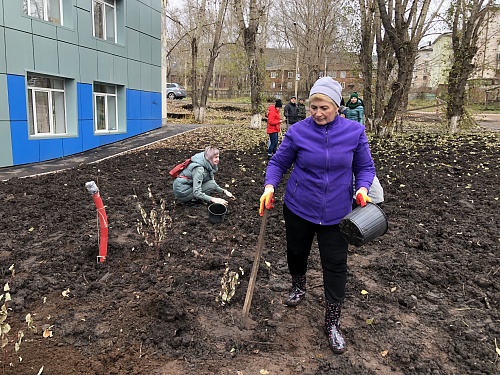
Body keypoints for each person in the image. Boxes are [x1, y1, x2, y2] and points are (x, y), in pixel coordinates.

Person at [259, 77, 376, 355]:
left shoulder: (354, 132)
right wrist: (269, 186)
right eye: (313, 107)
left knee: (335, 265)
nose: (318, 113)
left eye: (324, 107)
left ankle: (332, 322)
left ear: (337, 106)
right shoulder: (298, 132)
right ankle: (298, 286)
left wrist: (361, 188)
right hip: (300, 207)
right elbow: (278, 162)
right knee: (296, 253)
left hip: (338, 213)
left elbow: (365, 167)